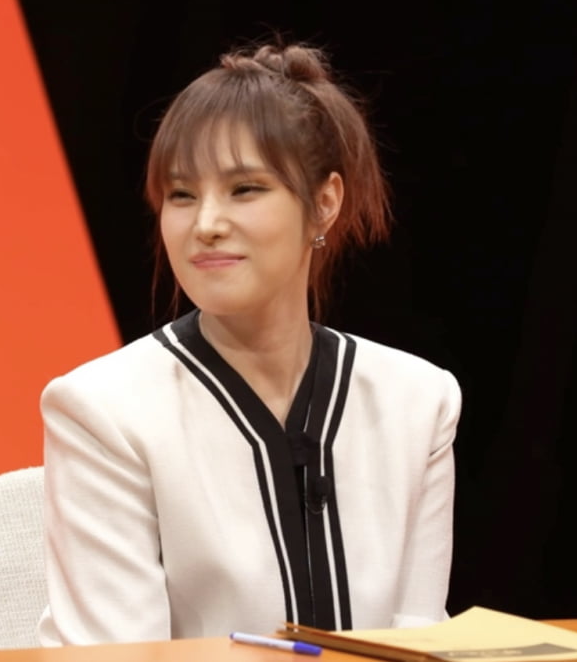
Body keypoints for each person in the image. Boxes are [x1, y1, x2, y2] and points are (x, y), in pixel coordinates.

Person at [36, 41, 462, 645]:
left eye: (244, 189)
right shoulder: (101, 410)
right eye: (182, 195)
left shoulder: (419, 401)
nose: (206, 223)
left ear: (324, 203)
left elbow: (420, 639)